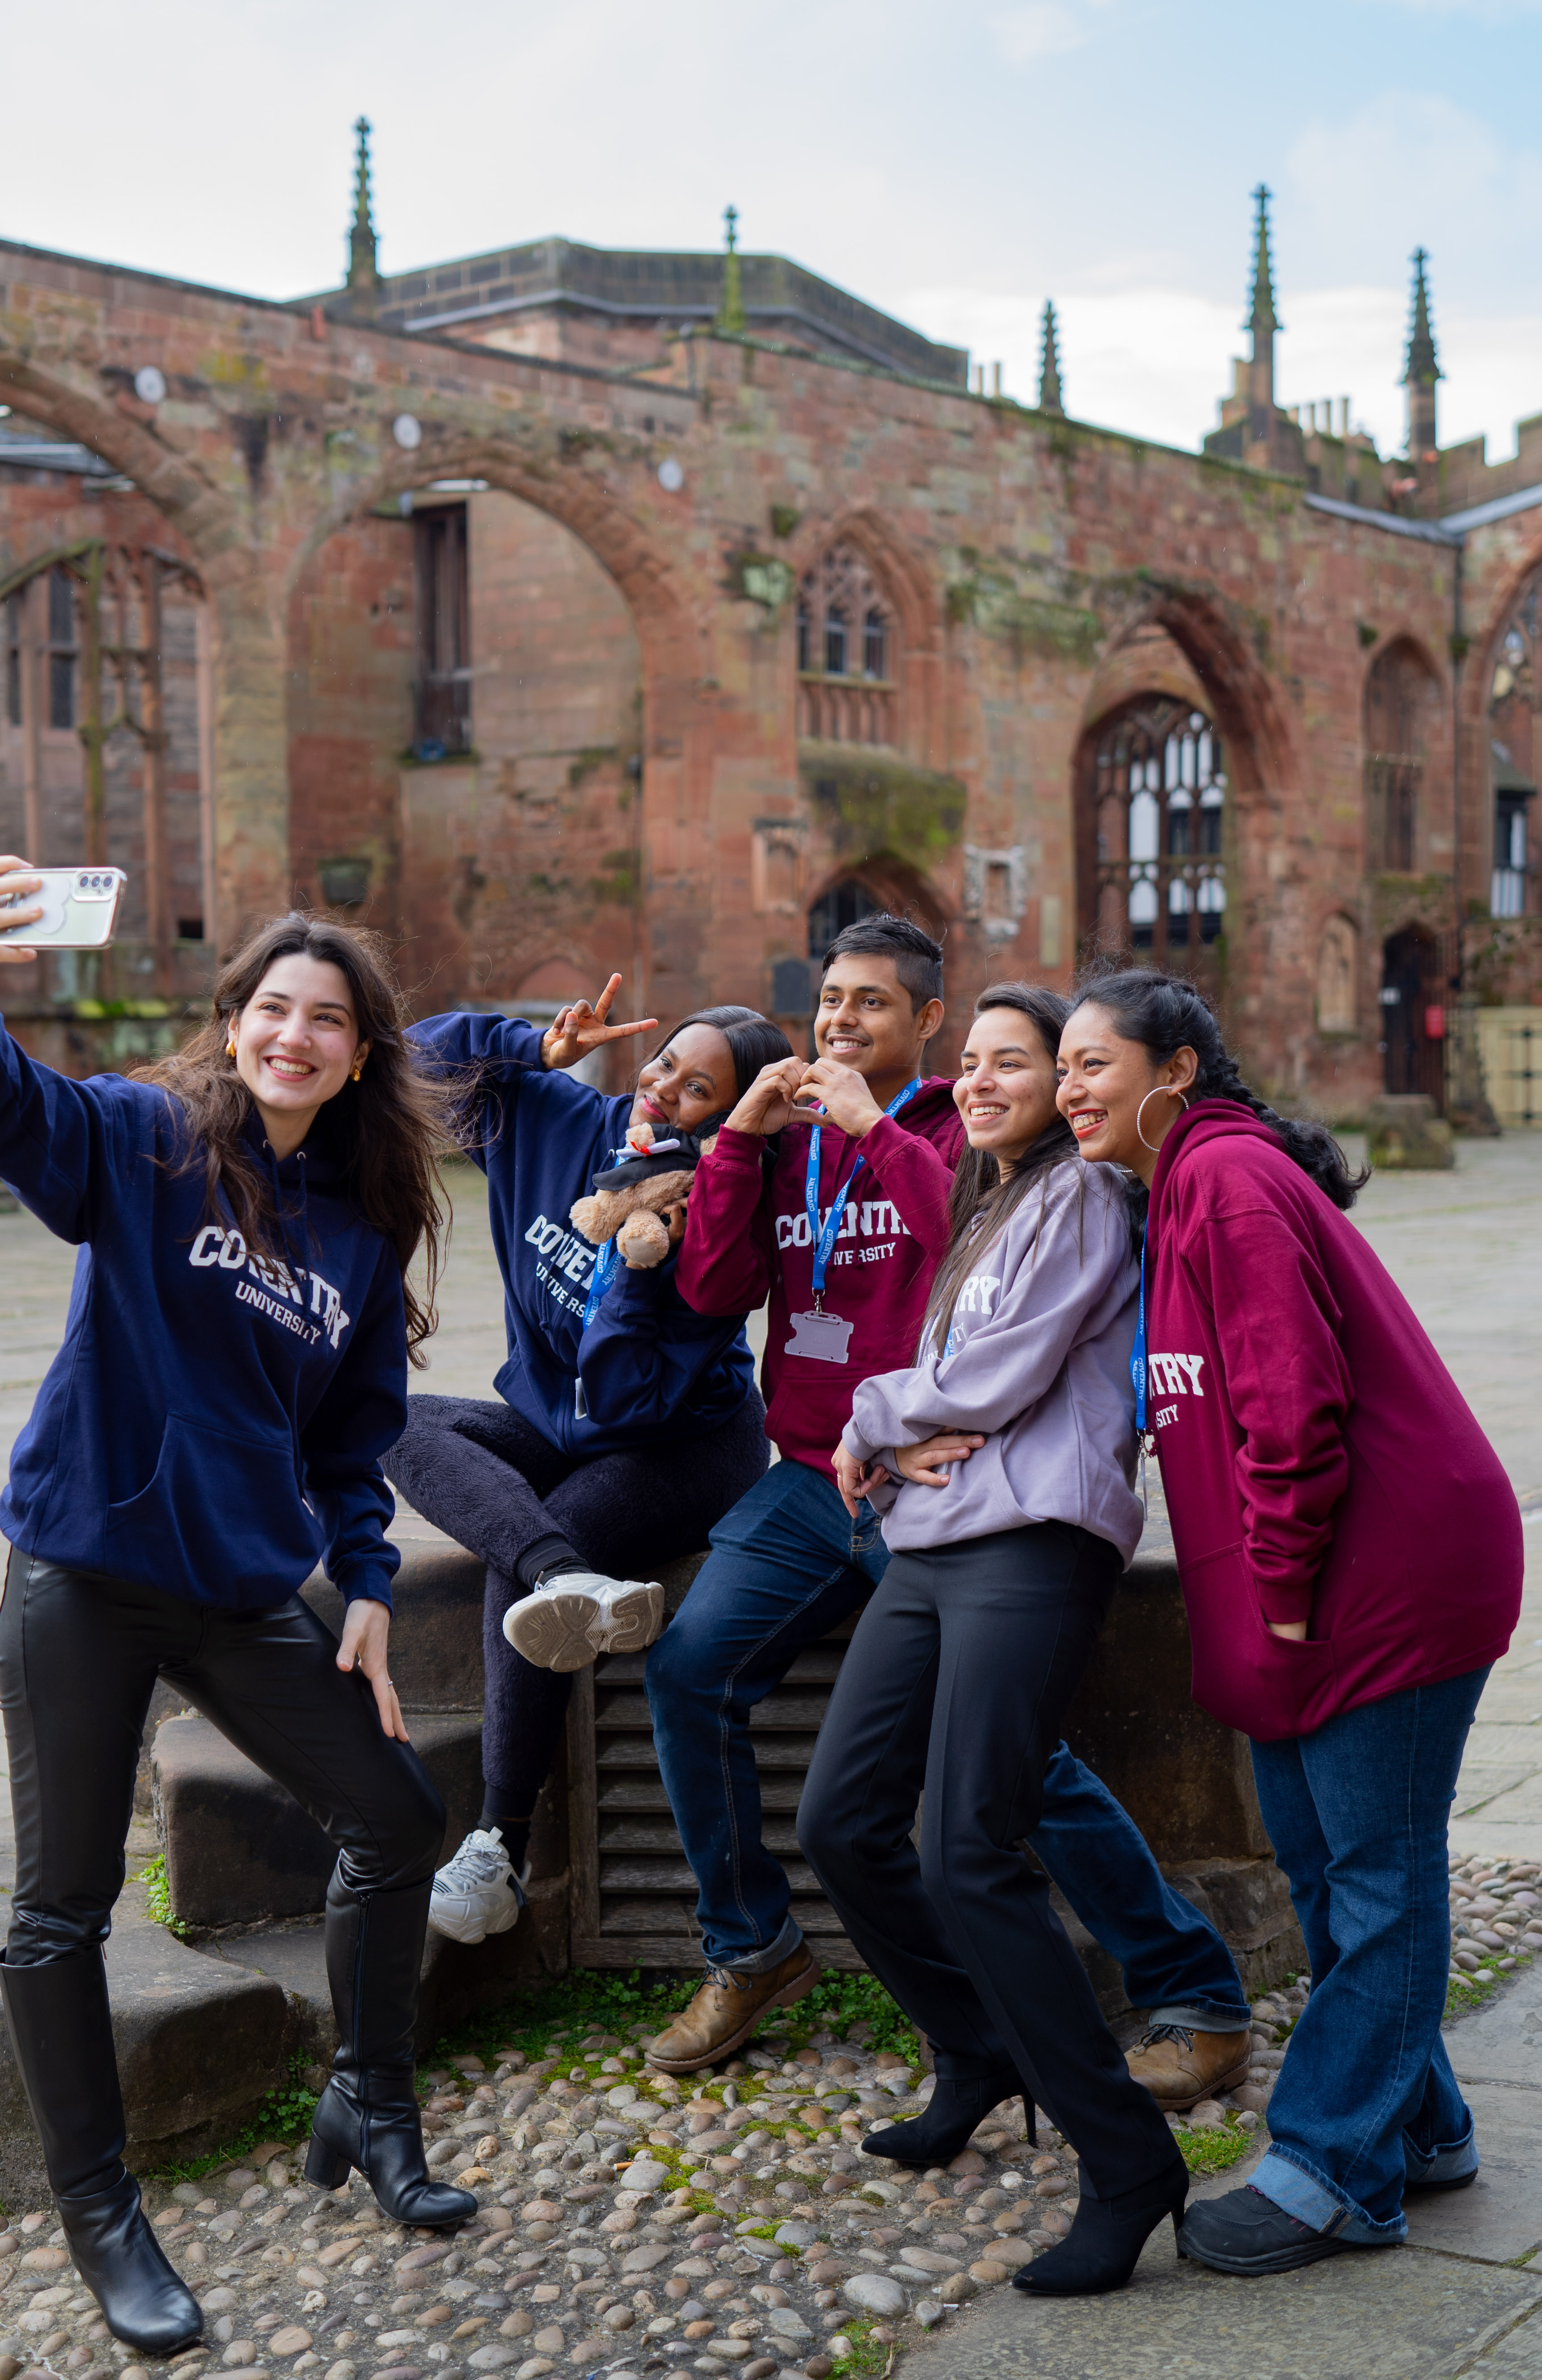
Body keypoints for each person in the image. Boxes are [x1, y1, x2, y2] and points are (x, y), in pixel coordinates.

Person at [0, 858, 476, 2359]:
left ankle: (369, 2099)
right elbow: (0, 1115)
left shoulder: (361, 1221)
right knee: (61, 1913)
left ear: (361, 1053)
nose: (296, 1035)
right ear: (232, 1026)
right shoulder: (146, 1138)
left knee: (399, 1814)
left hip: (236, 1596)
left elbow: (359, 1429)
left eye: (329, 1019)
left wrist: (364, 1582)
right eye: (272, 1008)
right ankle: (102, 2212)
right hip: (86, 1583)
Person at [649, 925, 1251, 2090]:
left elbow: (966, 1248)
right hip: (815, 1479)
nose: (840, 1023)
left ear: (927, 1022)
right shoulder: (786, 1144)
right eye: (829, 1001)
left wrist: (876, 1133)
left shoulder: (955, 1128)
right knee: (686, 1666)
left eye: (872, 1003)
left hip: (948, 1478)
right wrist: (736, 1141)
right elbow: (715, 1291)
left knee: (1014, 1762)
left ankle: (1180, 1983)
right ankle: (754, 1947)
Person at [1057, 967, 1524, 2277]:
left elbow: (1292, 1407)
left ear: (1177, 1075)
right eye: (1068, 1065)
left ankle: (1335, 2169)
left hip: (1393, 1573)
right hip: (1322, 1585)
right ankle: (1422, 2128)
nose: (1074, 1087)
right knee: (1322, 1874)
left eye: (1099, 1064)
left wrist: (1280, 1588)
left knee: (1379, 1879)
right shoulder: (1174, 1191)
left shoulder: (1228, 1179)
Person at [798, 982, 1186, 2294]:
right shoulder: (989, 1204)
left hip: (1028, 1543)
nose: (982, 1080)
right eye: (974, 1064)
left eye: (1015, 1062)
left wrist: (874, 1413)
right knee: (843, 1818)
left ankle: (1126, 2159)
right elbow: (956, 1393)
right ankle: (975, 2050)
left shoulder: (1083, 1197)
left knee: (969, 1846)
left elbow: (1001, 1378)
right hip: (935, 1539)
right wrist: (904, 1429)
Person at [391, 985, 792, 1944]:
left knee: (526, 1543)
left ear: (733, 1119)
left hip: (682, 1445)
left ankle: (498, 1843)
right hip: (558, 1419)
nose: (662, 1092)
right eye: (663, 1067)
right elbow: (404, 1061)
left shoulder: (720, 1217)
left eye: (699, 1091)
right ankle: (564, 1578)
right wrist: (527, 1048)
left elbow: (627, 1398)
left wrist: (633, 1269)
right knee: (395, 1423)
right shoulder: (565, 1121)